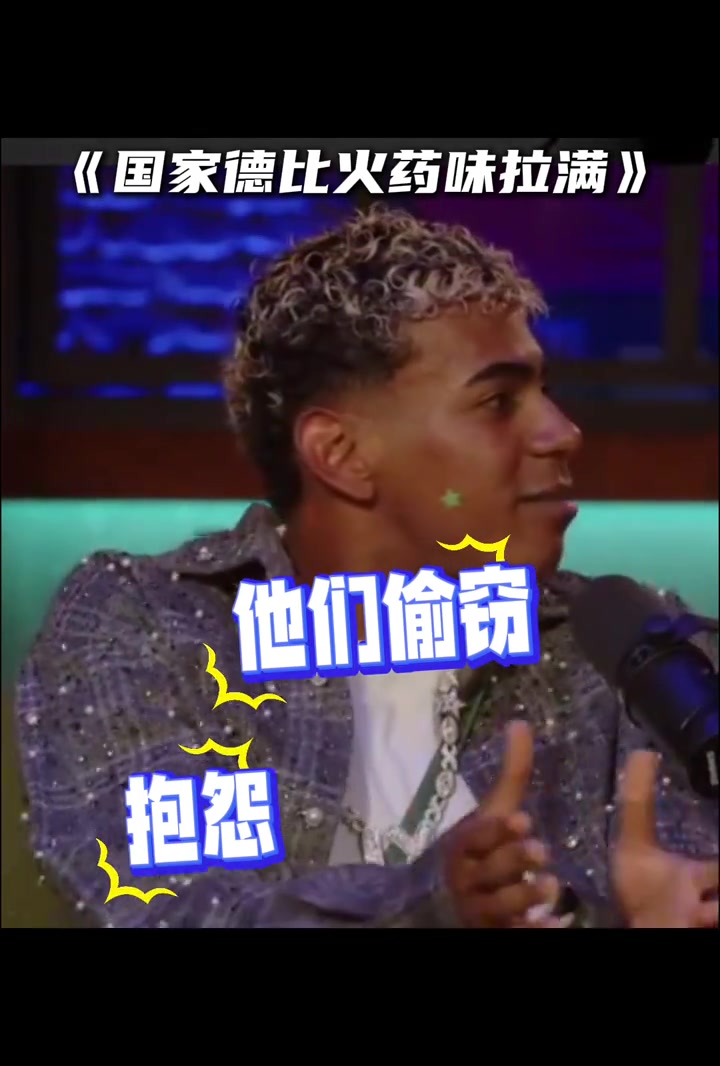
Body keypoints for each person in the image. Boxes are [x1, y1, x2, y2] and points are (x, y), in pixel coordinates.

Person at [15, 205, 718, 929]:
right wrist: (427, 907)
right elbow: (176, 907)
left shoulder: (632, 653)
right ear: (342, 454)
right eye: (498, 402)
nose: (564, 433)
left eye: (546, 392)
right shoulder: (166, 630)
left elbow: (676, 879)